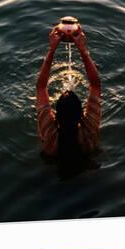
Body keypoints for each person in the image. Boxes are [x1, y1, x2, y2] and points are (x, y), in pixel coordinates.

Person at [36, 26, 102, 167]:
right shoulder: (88, 132)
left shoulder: (49, 135)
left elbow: (40, 87)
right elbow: (95, 84)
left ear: (55, 115)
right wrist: (83, 51)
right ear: (81, 115)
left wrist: (51, 49)